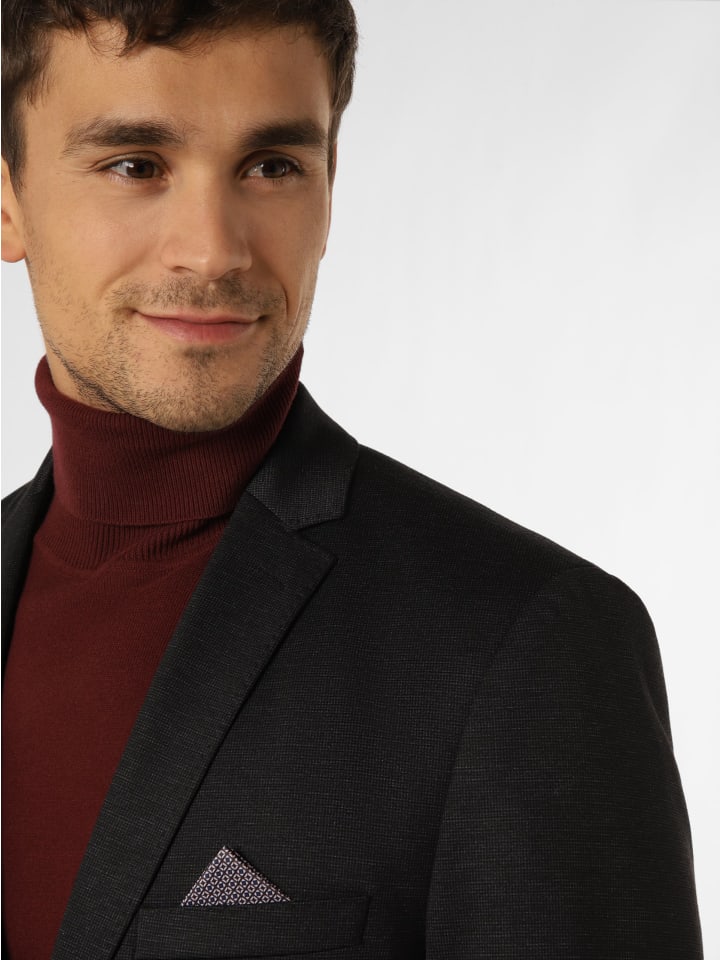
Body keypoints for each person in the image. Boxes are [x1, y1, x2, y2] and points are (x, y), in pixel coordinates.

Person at [0, 1, 703, 958]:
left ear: (329, 186)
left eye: (272, 166)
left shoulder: (527, 644)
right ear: (10, 199)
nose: (213, 249)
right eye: (135, 165)